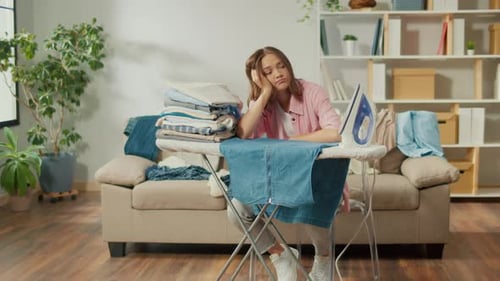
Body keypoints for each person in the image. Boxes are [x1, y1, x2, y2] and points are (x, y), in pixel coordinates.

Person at [227, 46, 345, 281]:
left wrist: (292, 141)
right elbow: (242, 133)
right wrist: (263, 94)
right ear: (260, 79)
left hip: (316, 178)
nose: (278, 73)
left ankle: (323, 259)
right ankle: (281, 255)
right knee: (236, 207)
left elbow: (334, 132)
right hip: (279, 181)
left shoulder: (312, 92)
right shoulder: (263, 103)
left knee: (312, 201)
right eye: (268, 72)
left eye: (281, 65)